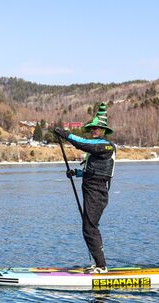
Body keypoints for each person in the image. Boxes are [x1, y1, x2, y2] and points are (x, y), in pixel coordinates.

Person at [54, 102, 116, 274]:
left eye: (96, 128)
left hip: (97, 192)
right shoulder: (96, 150)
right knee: (88, 227)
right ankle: (99, 264)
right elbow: (93, 171)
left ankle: (102, 267)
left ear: (103, 130)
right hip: (91, 189)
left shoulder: (106, 146)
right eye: (92, 128)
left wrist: (66, 134)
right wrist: (77, 173)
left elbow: (83, 144)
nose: (93, 130)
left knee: (90, 227)